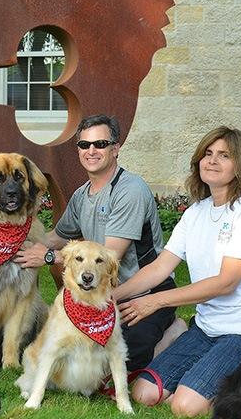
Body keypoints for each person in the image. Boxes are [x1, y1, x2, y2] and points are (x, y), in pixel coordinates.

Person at [110, 126, 241, 415]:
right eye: (208, 153)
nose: (212, 160)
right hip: (205, 328)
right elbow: (161, 266)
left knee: (184, 407)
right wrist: (112, 296)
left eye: (224, 155)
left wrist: (156, 301)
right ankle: (189, 350)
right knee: (143, 393)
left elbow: (226, 283)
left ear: (239, 166)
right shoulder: (196, 212)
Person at [15, 114, 176, 377]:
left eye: (100, 144)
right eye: (84, 145)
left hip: (143, 291)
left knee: (120, 365)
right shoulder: (81, 195)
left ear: (115, 149)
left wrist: (49, 258)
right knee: (79, 360)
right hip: (101, 294)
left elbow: (109, 258)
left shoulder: (129, 190)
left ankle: (172, 329)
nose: (91, 151)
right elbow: (58, 236)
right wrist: (20, 243)